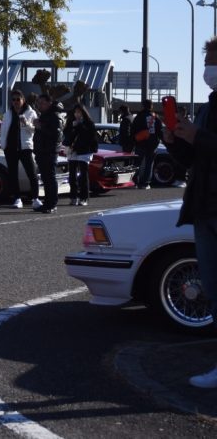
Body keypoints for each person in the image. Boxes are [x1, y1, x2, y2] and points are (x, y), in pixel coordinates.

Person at [165, 37, 217, 388]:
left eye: (212, 62)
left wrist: (197, 135)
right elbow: (195, 159)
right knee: (213, 288)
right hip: (203, 206)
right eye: (207, 62)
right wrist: (176, 140)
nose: (208, 70)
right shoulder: (209, 105)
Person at [1, 89, 38, 209]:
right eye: (13, 100)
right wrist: (3, 144)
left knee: (31, 173)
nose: (16, 102)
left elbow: (35, 130)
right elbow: (3, 130)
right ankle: (17, 198)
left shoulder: (31, 113)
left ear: (23, 100)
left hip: (25, 147)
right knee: (13, 174)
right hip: (10, 148)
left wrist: (26, 123)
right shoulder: (8, 114)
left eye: (18, 99)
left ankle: (35, 198)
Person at [32, 93, 63, 214]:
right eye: (38, 103)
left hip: (49, 151)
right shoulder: (45, 115)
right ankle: (47, 203)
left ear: (49, 103)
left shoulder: (55, 116)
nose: (39, 105)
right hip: (42, 151)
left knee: (50, 178)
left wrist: (40, 126)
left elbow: (57, 135)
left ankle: (52, 204)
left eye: (42, 103)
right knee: (45, 178)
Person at [63, 103, 98, 206]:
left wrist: (80, 126)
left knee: (83, 174)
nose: (77, 114)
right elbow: (66, 135)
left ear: (83, 112)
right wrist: (73, 127)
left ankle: (84, 197)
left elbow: (91, 136)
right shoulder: (70, 122)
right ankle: (73, 197)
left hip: (84, 151)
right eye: (75, 112)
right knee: (72, 175)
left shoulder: (89, 123)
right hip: (72, 150)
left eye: (79, 112)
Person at [131, 99, 164, 189]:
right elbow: (160, 132)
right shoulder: (155, 117)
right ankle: (145, 183)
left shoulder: (139, 117)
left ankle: (134, 182)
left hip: (140, 143)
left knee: (137, 163)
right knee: (149, 164)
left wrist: (134, 141)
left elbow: (133, 130)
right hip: (152, 145)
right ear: (151, 106)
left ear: (143, 106)